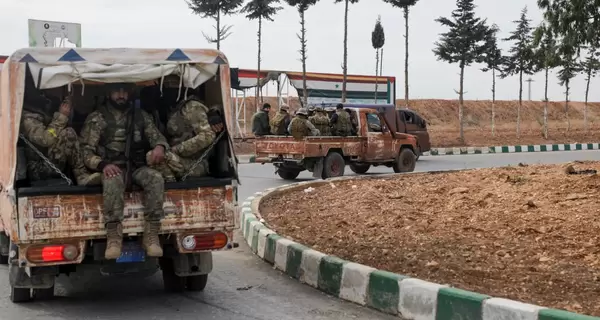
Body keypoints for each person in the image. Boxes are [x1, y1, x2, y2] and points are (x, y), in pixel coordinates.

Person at [80, 82, 170, 260]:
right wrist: (103, 165)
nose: (121, 95)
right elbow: (85, 151)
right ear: (108, 93)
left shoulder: (140, 116)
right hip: (111, 167)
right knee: (113, 179)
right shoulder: (98, 118)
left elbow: (157, 137)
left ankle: (151, 234)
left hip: (135, 166)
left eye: (124, 91)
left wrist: (160, 147)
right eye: (116, 91)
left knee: (156, 178)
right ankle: (114, 236)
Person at [20, 92, 101, 186]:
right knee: (68, 133)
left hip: (50, 163)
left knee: (68, 132)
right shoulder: (27, 119)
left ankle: (82, 175)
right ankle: (81, 175)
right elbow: (45, 139)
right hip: (37, 169)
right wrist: (62, 116)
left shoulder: (44, 112)